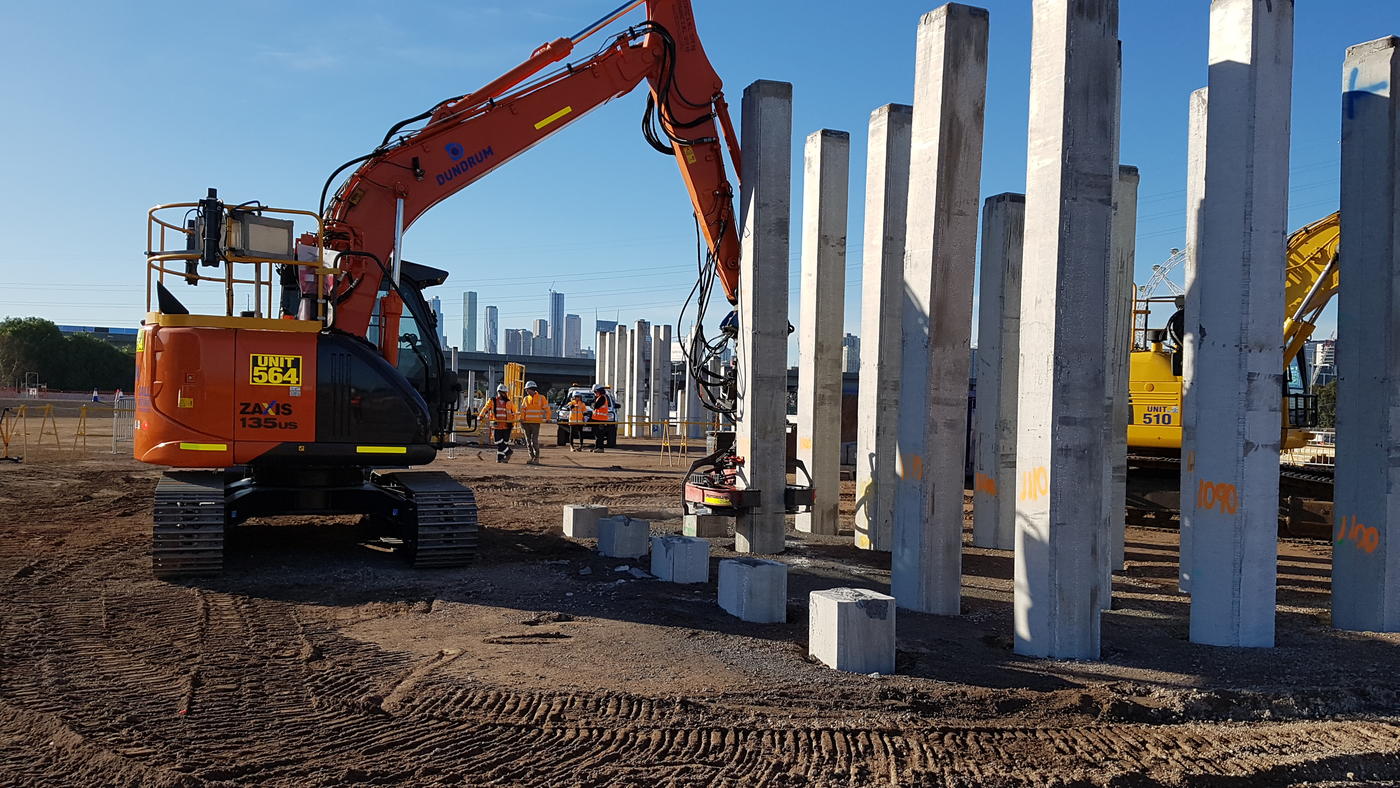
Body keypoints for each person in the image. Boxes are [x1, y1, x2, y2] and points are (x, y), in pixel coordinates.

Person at [478, 384, 517, 463]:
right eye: (502, 392)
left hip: (507, 425)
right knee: (498, 441)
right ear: (499, 392)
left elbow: (514, 412)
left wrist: (514, 422)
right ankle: (508, 452)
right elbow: (486, 408)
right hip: (497, 425)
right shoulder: (493, 400)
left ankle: (500, 458)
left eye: (505, 392)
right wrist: (480, 416)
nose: (504, 394)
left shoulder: (509, 402)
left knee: (504, 443)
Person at [518, 381, 550, 465]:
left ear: (532, 389)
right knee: (528, 441)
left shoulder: (541, 398)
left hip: (535, 423)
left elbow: (547, 409)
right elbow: (523, 410)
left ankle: (536, 457)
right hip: (526, 423)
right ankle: (531, 457)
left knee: (534, 441)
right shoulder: (526, 399)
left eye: (527, 389)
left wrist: (548, 418)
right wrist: (521, 418)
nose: (526, 391)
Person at [590, 383, 612, 453]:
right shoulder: (599, 398)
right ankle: (597, 447)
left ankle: (600, 448)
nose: (594, 393)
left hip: (600, 420)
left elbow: (595, 406)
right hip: (597, 419)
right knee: (597, 435)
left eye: (595, 392)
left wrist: (592, 405)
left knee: (600, 435)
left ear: (599, 391)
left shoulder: (602, 398)